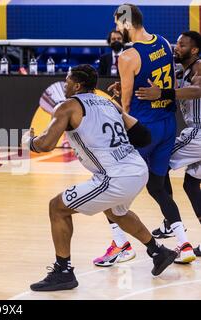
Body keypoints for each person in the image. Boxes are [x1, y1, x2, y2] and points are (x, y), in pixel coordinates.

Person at [23, 64, 176, 292]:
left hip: (115, 176)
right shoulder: (109, 103)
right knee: (115, 211)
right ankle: (158, 251)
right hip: (136, 168)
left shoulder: (67, 106)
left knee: (57, 207)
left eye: (67, 80)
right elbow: (143, 136)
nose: (64, 84)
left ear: (76, 85)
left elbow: (45, 144)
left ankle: (63, 271)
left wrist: (29, 141)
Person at [93, 4, 196, 267]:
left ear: (126, 24)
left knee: (106, 185)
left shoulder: (127, 57)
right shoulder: (163, 42)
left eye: (117, 24)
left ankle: (121, 245)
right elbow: (167, 82)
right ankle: (183, 244)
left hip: (144, 129)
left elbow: (126, 106)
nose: (116, 29)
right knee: (157, 187)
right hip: (167, 125)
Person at [127, 31, 201, 258]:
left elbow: (198, 90)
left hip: (199, 133)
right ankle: (172, 222)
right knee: (190, 185)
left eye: (181, 45)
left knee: (159, 162)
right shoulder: (179, 69)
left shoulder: (199, 67)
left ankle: (171, 222)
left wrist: (164, 93)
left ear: (194, 50)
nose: (175, 48)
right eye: (176, 43)